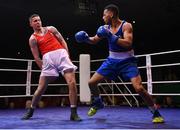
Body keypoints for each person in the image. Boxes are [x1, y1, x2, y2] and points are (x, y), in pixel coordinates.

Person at [75, 4, 164, 123]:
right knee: (92, 82)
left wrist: (111, 36)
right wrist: (85, 38)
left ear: (111, 14)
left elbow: (128, 43)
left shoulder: (126, 25)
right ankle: (98, 102)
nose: (102, 17)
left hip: (127, 61)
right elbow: (94, 40)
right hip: (112, 60)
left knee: (139, 88)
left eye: (104, 14)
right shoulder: (105, 27)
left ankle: (155, 112)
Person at [21, 14, 81, 121]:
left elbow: (62, 41)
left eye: (39, 20)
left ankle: (73, 112)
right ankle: (30, 111)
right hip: (48, 60)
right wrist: (43, 68)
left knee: (72, 82)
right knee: (41, 88)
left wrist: (67, 55)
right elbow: (36, 56)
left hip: (62, 55)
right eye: (35, 21)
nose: (38, 22)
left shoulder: (51, 29)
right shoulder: (33, 38)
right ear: (31, 24)